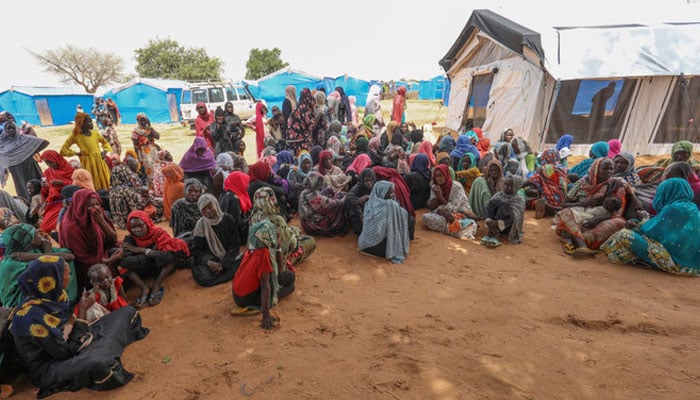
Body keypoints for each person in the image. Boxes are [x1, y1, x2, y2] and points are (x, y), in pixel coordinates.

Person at [10, 256, 148, 398]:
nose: (69, 278)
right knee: (98, 365)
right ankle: (97, 354)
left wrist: (77, 322)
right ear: (52, 279)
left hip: (70, 342)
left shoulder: (53, 297)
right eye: (66, 274)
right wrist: (82, 311)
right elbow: (64, 352)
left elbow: (68, 329)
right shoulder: (30, 317)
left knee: (126, 312)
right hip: (50, 367)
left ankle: (97, 350)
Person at [602, 178, 700, 275]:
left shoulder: (673, 208)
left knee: (624, 235)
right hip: (691, 261)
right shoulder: (691, 207)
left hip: (674, 260)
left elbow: (652, 233)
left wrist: (641, 222)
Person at [554, 158, 631, 255]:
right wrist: (586, 203)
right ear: (596, 168)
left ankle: (571, 239)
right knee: (565, 213)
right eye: (605, 168)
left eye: (611, 169)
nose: (609, 172)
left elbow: (617, 213)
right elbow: (564, 204)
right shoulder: (583, 182)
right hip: (580, 213)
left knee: (619, 222)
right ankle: (582, 245)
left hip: (603, 218)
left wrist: (597, 219)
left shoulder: (616, 185)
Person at [121, 210, 190, 307]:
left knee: (174, 255)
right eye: (133, 227)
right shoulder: (129, 239)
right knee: (121, 264)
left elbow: (168, 256)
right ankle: (144, 287)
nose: (137, 230)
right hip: (143, 269)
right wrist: (151, 253)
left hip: (160, 268)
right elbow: (125, 261)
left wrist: (141, 250)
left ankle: (157, 283)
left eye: (140, 225)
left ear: (147, 223)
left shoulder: (158, 234)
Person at [0, 223, 77, 307]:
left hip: (35, 298)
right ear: (30, 240)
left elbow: (69, 256)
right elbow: (52, 270)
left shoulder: (32, 250)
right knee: (62, 268)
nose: (40, 235)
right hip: (22, 306)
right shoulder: (15, 263)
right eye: (36, 234)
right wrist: (46, 250)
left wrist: (35, 255)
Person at [58, 190, 117, 289]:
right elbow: (82, 258)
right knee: (102, 275)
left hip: (101, 254)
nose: (95, 209)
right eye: (90, 206)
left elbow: (113, 240)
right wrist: (109, 260)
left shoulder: (99, 215)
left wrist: (103, 223)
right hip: (85, 266)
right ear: (80, 206)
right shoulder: (71, 227)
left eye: (97, 204)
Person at [250, 187, 316, 268]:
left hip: (258, 261)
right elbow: (292, 244)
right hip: (275, 263)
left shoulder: (253, 217)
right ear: (271, 199)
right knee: (310, 241)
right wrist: (295, 232)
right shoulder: (277, 220)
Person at [187, 194, 239, 287]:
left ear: (215, 205)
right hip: (210, 258)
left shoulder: (228, 219)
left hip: (226, 256)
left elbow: (235, 245)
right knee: (204, 277)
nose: (207, 211)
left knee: (241, 263)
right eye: (203, 209)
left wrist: (223, 263)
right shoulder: (200, 225)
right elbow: (197, 250)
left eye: (210, 207)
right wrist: (209, 262)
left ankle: (221, 270)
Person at [358, 181, 410, 264]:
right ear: (382, 193)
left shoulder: (369, 204)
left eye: (393, 192)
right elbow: (404, 215)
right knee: (408, 218)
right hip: (382, 250)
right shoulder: (391, 205)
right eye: (391, 193)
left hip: (366, 246)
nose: (393, 195)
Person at [422, 164, 477, 240]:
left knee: (471, 223)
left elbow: (454, 209)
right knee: (426, 217)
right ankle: (456, 231)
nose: (439, 178)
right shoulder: (435, 187)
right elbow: (433, 208)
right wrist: (438, 205)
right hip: (444, 216)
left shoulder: (457, 187)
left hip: (460, 214)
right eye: (437, 176)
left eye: (441, 175)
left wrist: (440, 198)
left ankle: (455, 229)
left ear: (446, 175)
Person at [60, 113, 113, 191]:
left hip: (99, 160)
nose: (91, 123)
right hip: (88, 162)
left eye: (91, 121)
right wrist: (76, 153)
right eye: (89, 122)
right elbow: (63, 150)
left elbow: (105, 142)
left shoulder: (95, 133)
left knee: (103, 178)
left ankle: (106, 193)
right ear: (81, 123)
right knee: (92, 178)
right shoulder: (76, 136)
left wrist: (104, 151)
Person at [0, 120, 48, 200]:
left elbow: (39, 143)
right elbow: (40, 142)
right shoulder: (23, 139)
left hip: (20, 168)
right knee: (27, 184)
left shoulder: (4, 144)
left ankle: (37, 198)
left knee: (24, 185)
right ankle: (35, 199)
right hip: (25, 166)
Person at [522, 148, 569, 218]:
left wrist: (519, 185)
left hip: (549, 199)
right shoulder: (562, 168)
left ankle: (543, 206)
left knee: (527, 194)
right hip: (562, 199)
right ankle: (554, 210)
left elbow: (532, 181)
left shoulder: (545, 168)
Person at [482, 175, 526, 247]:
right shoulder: (498, 195)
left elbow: (516, 217)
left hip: (507, 227)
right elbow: (488, 207)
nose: (506, 187)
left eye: (510, 186)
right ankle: (492, 231)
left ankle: (495, 234)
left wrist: (497, 222)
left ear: (516, 187)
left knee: (503, 206)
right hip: (491, 223)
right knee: (494, 203)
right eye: (505, 184)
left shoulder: (520, 200)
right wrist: (488, 219)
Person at [299, 172, 348, 236]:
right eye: (319, 181)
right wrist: (343, 198)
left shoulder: (305, 191)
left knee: (329, 191)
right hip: (313, 225)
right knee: (339, 206)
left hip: (305, 221)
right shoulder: (312, 195)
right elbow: (330, 204)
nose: (320, 184)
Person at [108, 161, 153, 229]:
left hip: (118, 221)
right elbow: (134, 209)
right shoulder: (127, 191)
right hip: (130, 221)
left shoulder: (111, 191)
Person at [38, 151, 75, 234]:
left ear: (57, 160)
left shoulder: (70, 170)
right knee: (45, 226)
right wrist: (45, 186)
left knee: (60, 224)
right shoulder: (47, 172)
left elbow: (77, 186)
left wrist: (62, 183)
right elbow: (45, 193)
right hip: (53, 202)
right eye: (47, 163)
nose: (49, 165)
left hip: (68, 200)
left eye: (51, 162)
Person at [219, 171, 252, 242]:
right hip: (235, 237)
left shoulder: (226, 193)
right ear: (239, 183)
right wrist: (250, 219)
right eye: (245, 182)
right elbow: (236, 222)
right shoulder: (234, 199)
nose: (248, 185)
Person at [343, 168, 376, 235]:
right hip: (361, 216)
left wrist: (367, 197)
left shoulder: (376, 186)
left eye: (371, 180)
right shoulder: (358, 187)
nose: (369, 183)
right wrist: (360, 213)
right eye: (366, 181)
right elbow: (349, 197)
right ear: (362, 180)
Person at [131, 113, 160, 185]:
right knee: (149, 170)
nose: (144, 122)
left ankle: (157, 185)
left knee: (157, 168)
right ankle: (151, 187)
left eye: (145, 120)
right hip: (144, 154)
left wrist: (150, 127)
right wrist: (137, 157)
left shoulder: (149, 129)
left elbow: (157, 137)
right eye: (142, 120)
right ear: (138, 121)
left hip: (153, 152)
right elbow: (135, 146)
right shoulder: (135, 131)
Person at [286, 88, 316, 154]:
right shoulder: (305, 109)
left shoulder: (297, 107)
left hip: (292, 140)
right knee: (303, 159)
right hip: (301, 141)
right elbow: (310, 125)